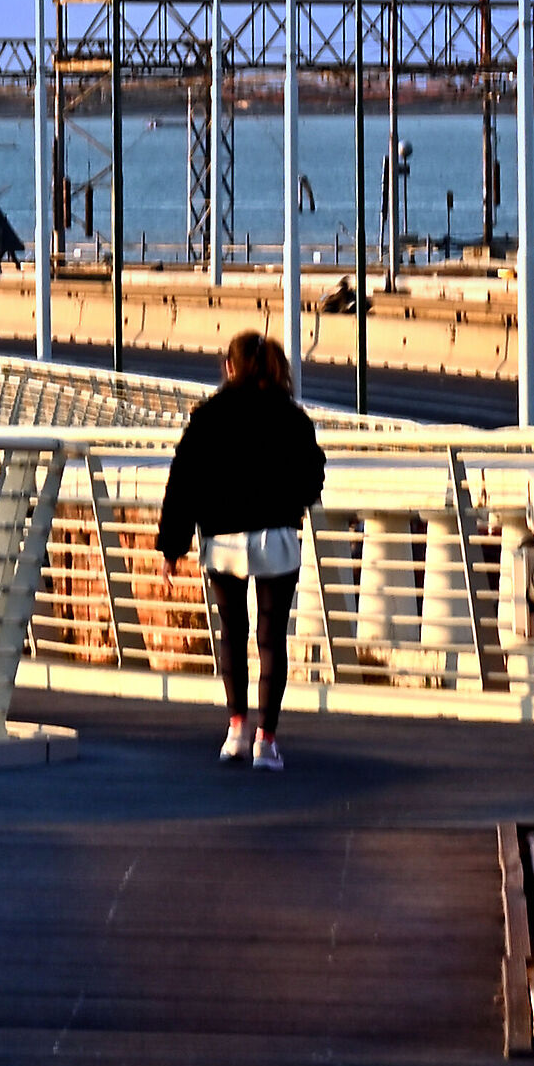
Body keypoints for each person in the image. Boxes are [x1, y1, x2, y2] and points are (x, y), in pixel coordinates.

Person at [155, 330, 326, 771]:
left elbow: (183, 483)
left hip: (223, 539)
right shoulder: (292, 418)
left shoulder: (208, 417)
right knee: (271, 639)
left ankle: (235, 730)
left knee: (233, 632)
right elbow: (313, 476)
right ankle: (266, 743)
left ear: (229, 367)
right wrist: (292, 504)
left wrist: (172, 546)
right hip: (276, 538)